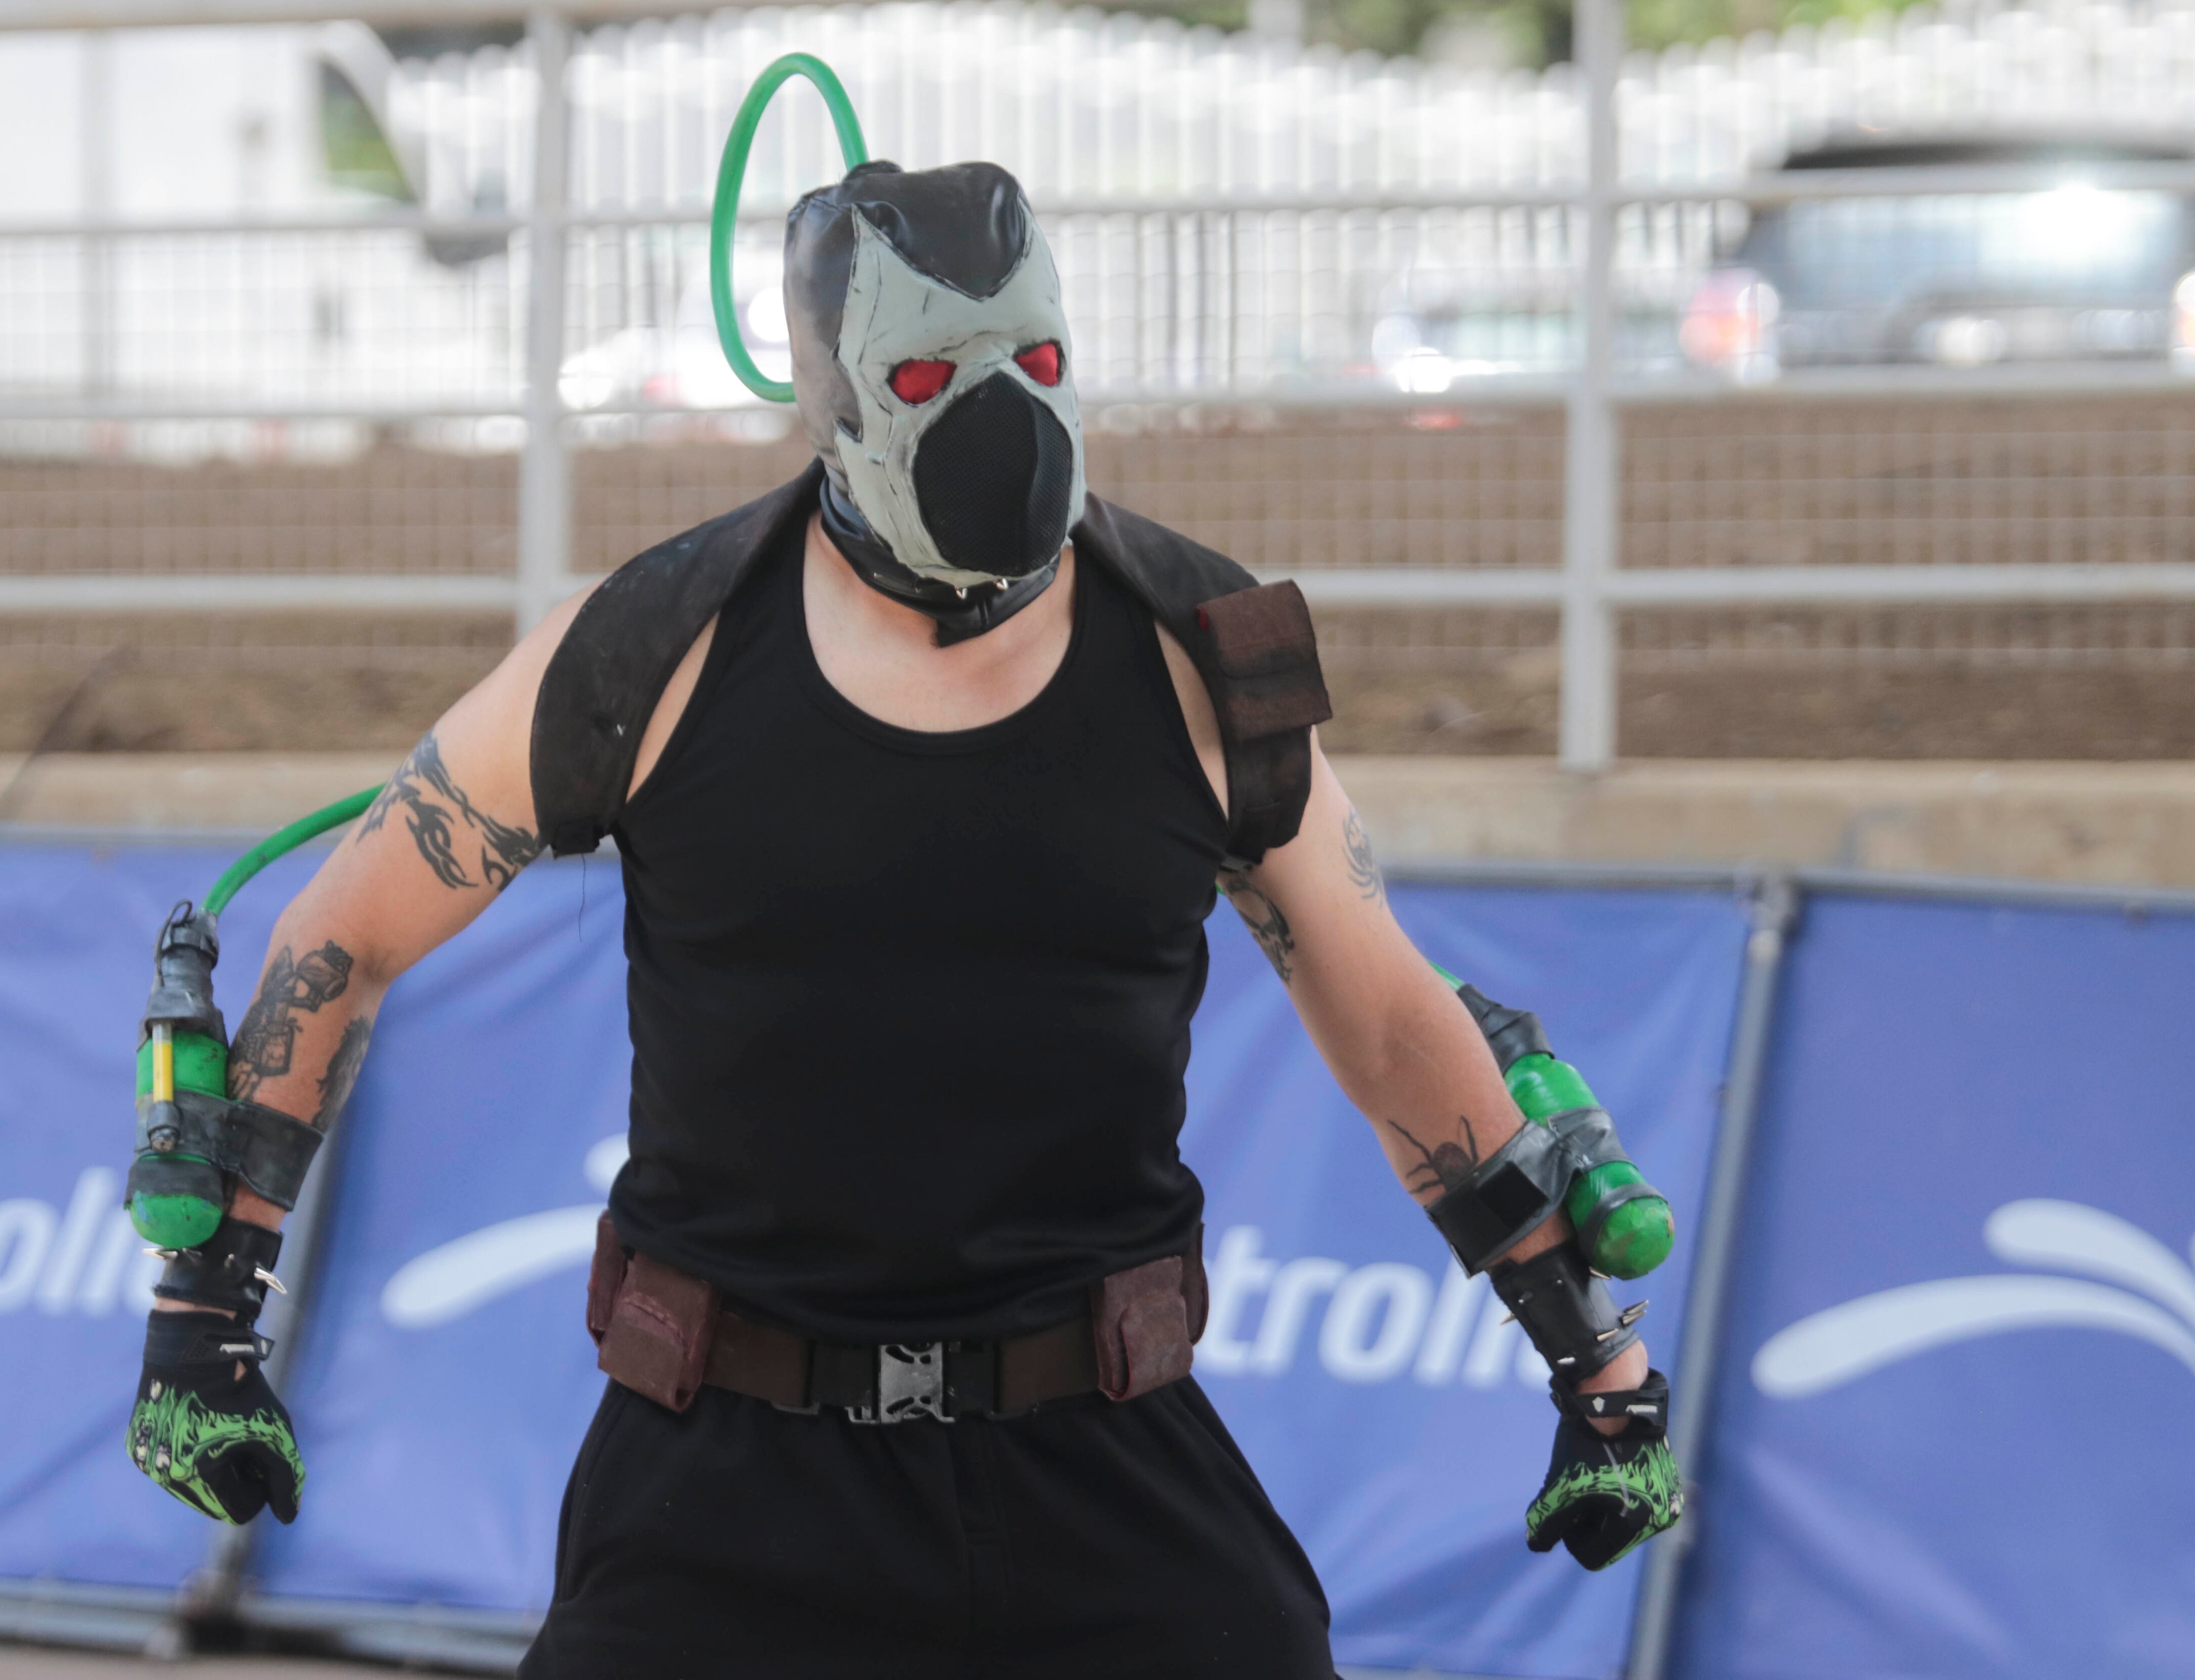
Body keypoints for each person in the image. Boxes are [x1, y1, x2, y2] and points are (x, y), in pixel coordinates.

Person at [126, 158, 1679, 1677]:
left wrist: (1594, 1358)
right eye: (933, 367)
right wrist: (204, 1317)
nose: (1002, 411)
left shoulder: (1215, 657)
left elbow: (1389, 1011)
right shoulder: (649, 653)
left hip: (1104, 1459)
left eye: (1041, 359)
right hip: (721, 1477)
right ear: (837, 391)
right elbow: (350, 934)